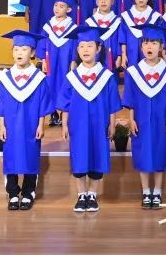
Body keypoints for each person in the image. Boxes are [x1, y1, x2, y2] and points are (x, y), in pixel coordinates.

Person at [56, 24, 122, 213]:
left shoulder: (106, 77)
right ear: (77, 50)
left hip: (99, 124)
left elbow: (112, 103)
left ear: (98, 49)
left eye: (90, 46)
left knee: (98, 155)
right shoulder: (72, 77)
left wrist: (112, 124)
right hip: (78, 124)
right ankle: (81, 194)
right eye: (82, 46)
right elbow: (65, 104)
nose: (85, 50)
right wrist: (64, 124)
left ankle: (92, 194)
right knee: (79, 155)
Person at [121, 22, 166, 210]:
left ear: (161, 47)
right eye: (145, 43)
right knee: (142, 153)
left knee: (160, 152)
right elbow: (130, 97)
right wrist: (131, 118)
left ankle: (158, 192)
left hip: (162, 120)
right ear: (141, 47)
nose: (149, 46)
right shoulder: (134, 72)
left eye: (154, 43)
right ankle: (146, 192)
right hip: (141, 119)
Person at [0, 30, 50, 211]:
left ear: (32, 53)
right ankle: (12, 193)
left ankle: (28, 192)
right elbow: (0, 104)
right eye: (16, 49)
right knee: (10, 156)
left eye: (24, 49)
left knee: (30, 155)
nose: (19, 53)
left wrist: (41, 125)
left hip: (31, 125)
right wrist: (1, 126)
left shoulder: (39, 79)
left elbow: (43, 103)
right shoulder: (5, 79)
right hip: (10, 125)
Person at [41, 0, 79, 126]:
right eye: (56, 5)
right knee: (50, 85)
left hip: (65, 62)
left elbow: (75, 45)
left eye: (61, 6)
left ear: (68, 9)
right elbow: (42, 44)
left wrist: (74, 60)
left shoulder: (72, 27)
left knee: (65, 84)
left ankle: (64, 112)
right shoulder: (48, 26)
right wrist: (43, 60)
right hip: (51, 62)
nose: (57, 8)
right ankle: (53, 113)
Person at [118, 0, 161, 71]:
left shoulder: (155, 17)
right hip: (131, 53)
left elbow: (158, 40)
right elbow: (123, 39)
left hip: (149, 54)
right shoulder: (126, 16)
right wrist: (123, 55)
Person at [83, 0, 124, 71]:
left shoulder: (118, 21)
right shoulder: (90, 22)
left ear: (112, 1)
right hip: (94, 59)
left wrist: (119, 56)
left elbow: (120, 40)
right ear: (96, 2)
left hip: (113, 58)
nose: (103, 1)